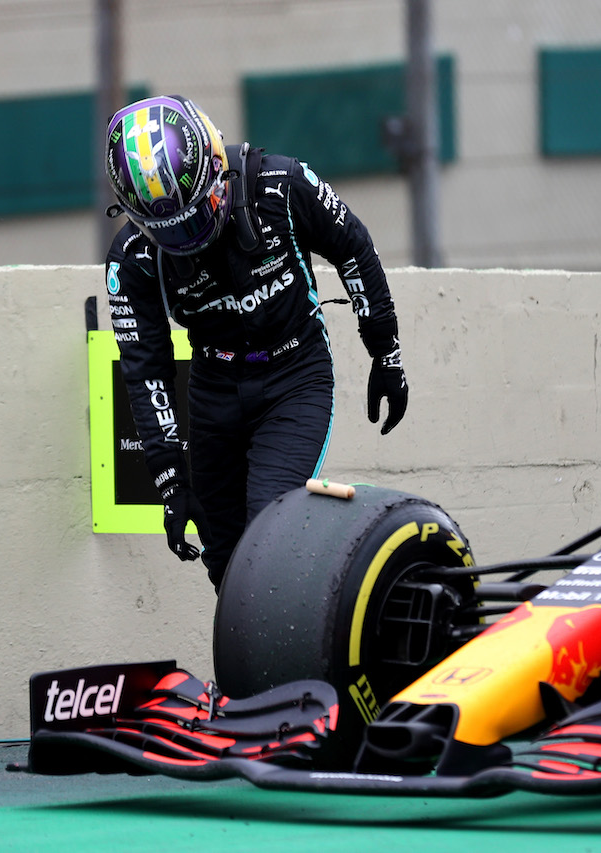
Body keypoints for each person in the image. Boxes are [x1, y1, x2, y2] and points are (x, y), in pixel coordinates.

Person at [103, 94, 408, 589]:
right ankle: (258, 663)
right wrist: (169, 476)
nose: (188, 238)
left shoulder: (281, 185)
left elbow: (353, 245)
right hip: (214, 387)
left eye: (195, 216)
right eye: (170, 230)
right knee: (225, 562)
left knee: (268, 530)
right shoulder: (134, 258)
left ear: (218, 167)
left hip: (295, 376)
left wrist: (385, 351)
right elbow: (145, 368)